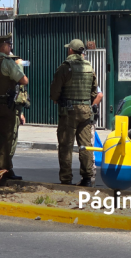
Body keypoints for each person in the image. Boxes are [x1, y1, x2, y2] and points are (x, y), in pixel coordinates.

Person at [50, 39, 98, 186]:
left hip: (69, 111)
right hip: (85, 110)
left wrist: (56, 98)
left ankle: (66, 179)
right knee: (85, 145)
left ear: (71, 50)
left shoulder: (65, 67)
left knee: (66, 145)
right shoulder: (89, 67)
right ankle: (87, 178)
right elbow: (94, 91)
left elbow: (55, 91)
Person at [0, 33, 28, 182]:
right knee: (6, 138)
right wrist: (19, 66)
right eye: (9, 45)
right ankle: (3, 171)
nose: (10, 48)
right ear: (3, 46)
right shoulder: (6, 62)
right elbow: (24, 80)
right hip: (5, 105)